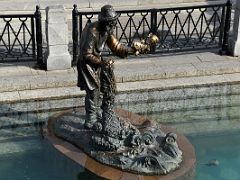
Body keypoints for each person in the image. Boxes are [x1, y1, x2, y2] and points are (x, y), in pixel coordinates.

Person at [77, 5, 136, 129]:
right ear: (104, 22)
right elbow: (86, 54)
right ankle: (91, 119)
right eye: (111, 24)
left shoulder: (107, 30)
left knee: (101, 89)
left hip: (97, 62)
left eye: (114, 23)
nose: (112, 27)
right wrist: (101, 63)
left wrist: (132, 50)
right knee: (93, 91)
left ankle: (98, 111)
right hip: (86, 64)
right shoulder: (92, 31)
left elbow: (117, 47)